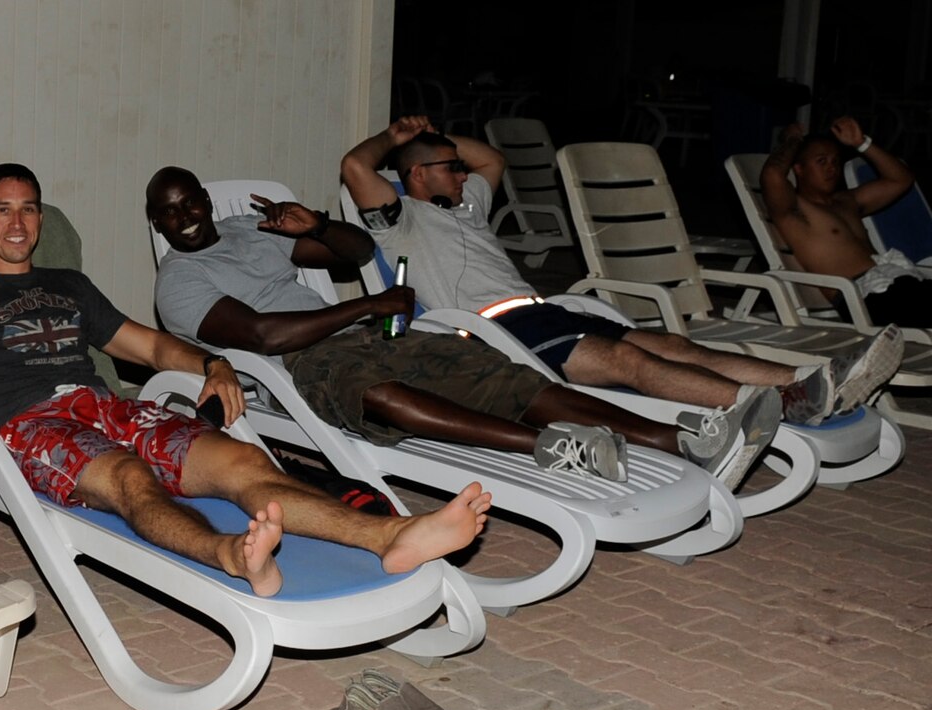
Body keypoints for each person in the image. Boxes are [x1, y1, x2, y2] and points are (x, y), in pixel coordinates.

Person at [0, 163, 494, 598]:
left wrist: (212, 363)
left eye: (28, 208)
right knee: (129, 476)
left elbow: (149, 344)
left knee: (243, 464)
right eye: (3, 209)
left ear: (40, 218)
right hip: (30, 422)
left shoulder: (70, 284)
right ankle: (233, 556)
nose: (17, 222)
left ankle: (388, 538)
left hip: (105, 405)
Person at [147, 166, 772, 490]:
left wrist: (314, 226)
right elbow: (260, 337)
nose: (185, 218)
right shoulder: (176, 281)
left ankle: (682, 439)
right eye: (169, 213)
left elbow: (357, 252)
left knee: (498, 372)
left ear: (206, 198)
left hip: (369, 333)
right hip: (306, 365)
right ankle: (551, 449)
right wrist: (366, 309)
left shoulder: (248, 233)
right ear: (158, 223)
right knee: (381, 396)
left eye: (190, 201)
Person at [343, 116, 903, 423]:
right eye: (449, 169)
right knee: (627, 360)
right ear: (417, 176)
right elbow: (355, 165)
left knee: (674, 344)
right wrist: (398, 141)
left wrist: (434, 138)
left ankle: (808, 384)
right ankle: (773, 406)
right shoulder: (399, 219)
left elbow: (494, 159)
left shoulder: (467, 206)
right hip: (493, 327)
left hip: (541, 312)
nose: (464, 175)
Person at [762, 116, 932, 327]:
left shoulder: (847, 201)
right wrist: (793, 140)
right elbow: (772, 174)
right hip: (865, 297)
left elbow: (901, 180)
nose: (831, 168)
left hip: (898, 284)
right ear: (799, 169)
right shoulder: (795, 210)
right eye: (821, 161)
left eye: (835, 161)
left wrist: (861, 143)